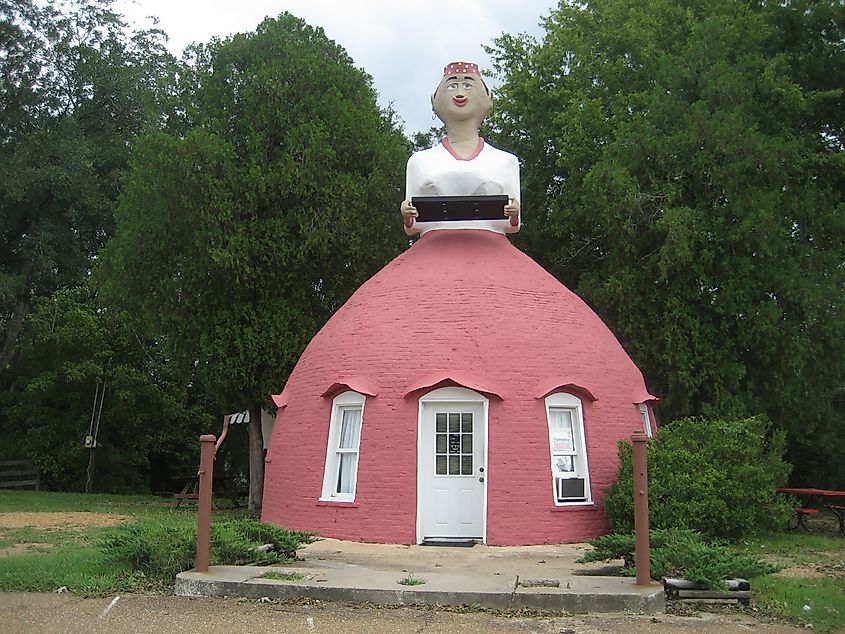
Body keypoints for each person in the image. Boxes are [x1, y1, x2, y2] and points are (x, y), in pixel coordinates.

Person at [401, 61, 521, 236]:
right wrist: (407, 214)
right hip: (433, 252)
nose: (459, 93)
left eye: (467, 85)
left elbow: (513, 226)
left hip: (491, 252)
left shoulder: (506, 161)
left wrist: (514, 213)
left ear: (488, 98)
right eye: (452, 86)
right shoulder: (419, 161)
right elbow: (411, 228)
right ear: (434, 100)